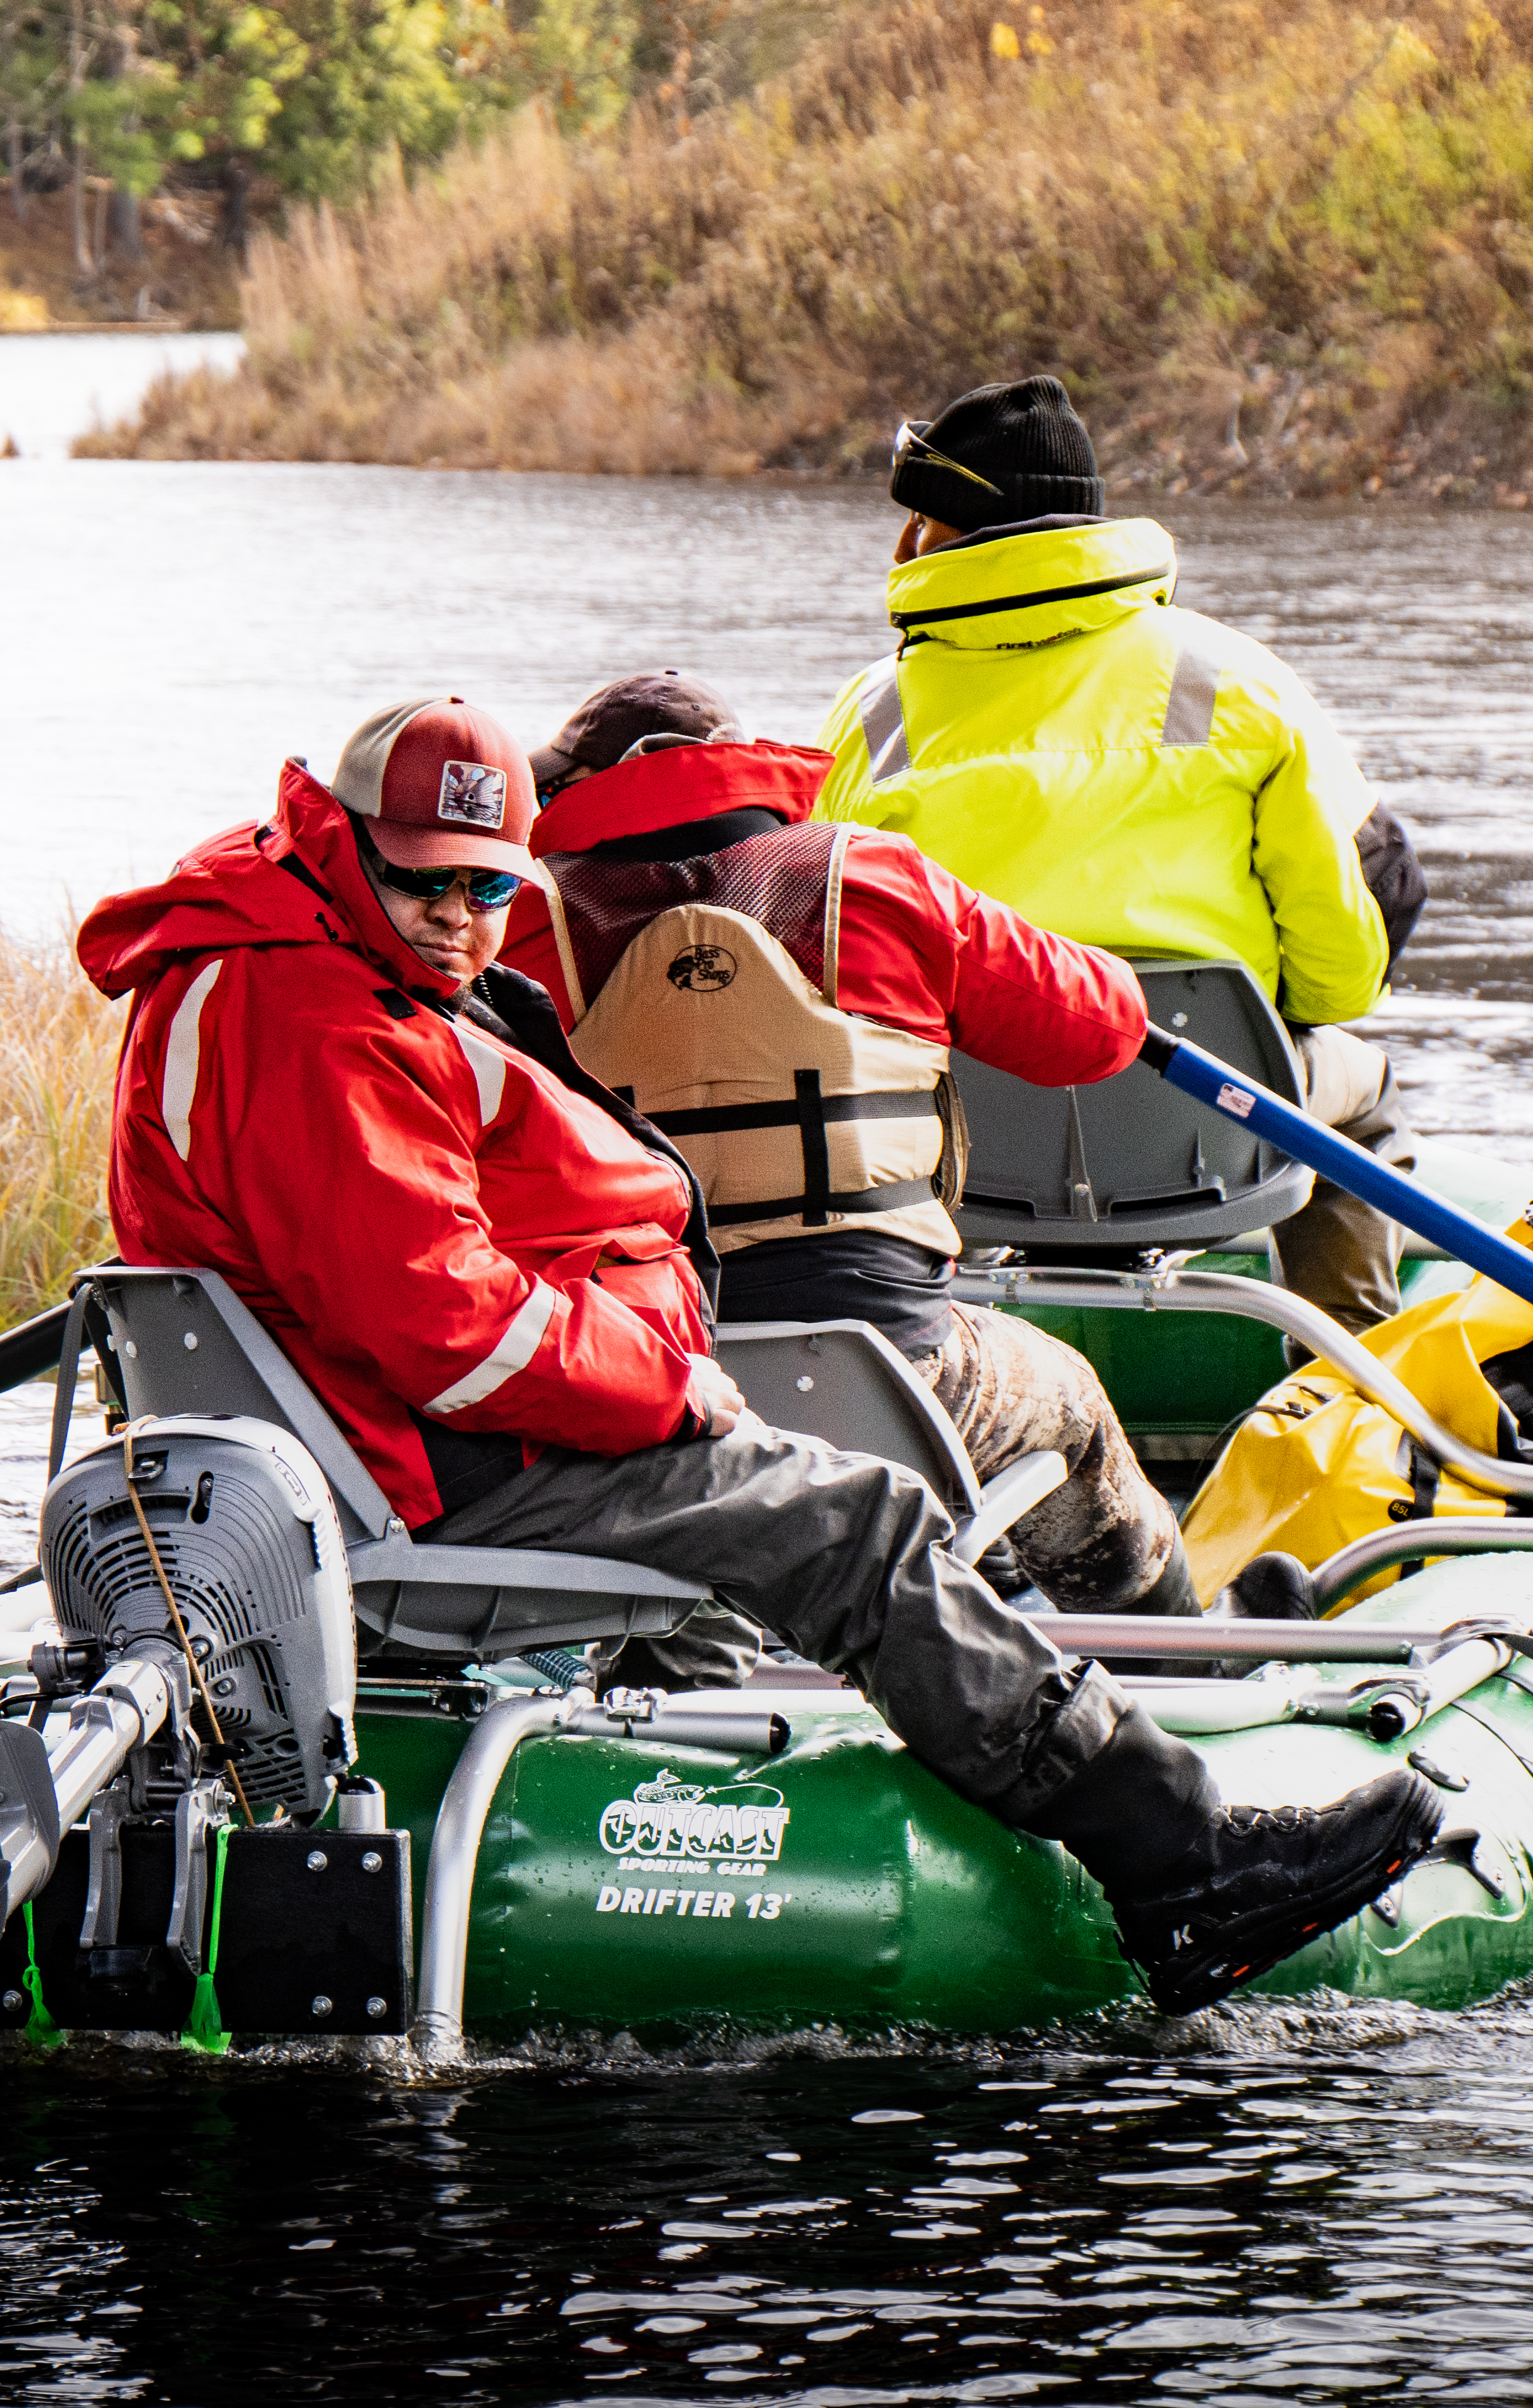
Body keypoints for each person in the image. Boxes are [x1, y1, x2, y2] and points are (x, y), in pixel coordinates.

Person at [74, 693, 1437, 2016]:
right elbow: (457, 1328)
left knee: (759, 1519)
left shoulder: (287, 957)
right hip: (431, 1458)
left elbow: (411, 1276)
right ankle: (1180, 1857)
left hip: (349, 1437)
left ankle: (682, 1822)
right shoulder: (318, 1023)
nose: (459, 920)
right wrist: (669, 1383)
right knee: (858, 1523)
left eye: (486, 888)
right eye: (422, 881)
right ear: (342, 841)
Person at [504, 666, 1199, 1626]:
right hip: (892, 1368)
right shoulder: (875, 874)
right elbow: (1104, 1027)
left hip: (633, 1383)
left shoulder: (506, 927)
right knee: (1068, 1403)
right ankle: (1183, 1650)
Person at [812, 373, 1433, 1333]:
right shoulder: (1232, 678)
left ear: (942, 534)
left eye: (917, 519)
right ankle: (1351, 1386)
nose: (902, 544)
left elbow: (834, 964)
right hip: (1217, 1119)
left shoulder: (870, 717)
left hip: (974, 1144)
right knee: (1368, 1091)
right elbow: (1340, 978)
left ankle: (928, 1365)